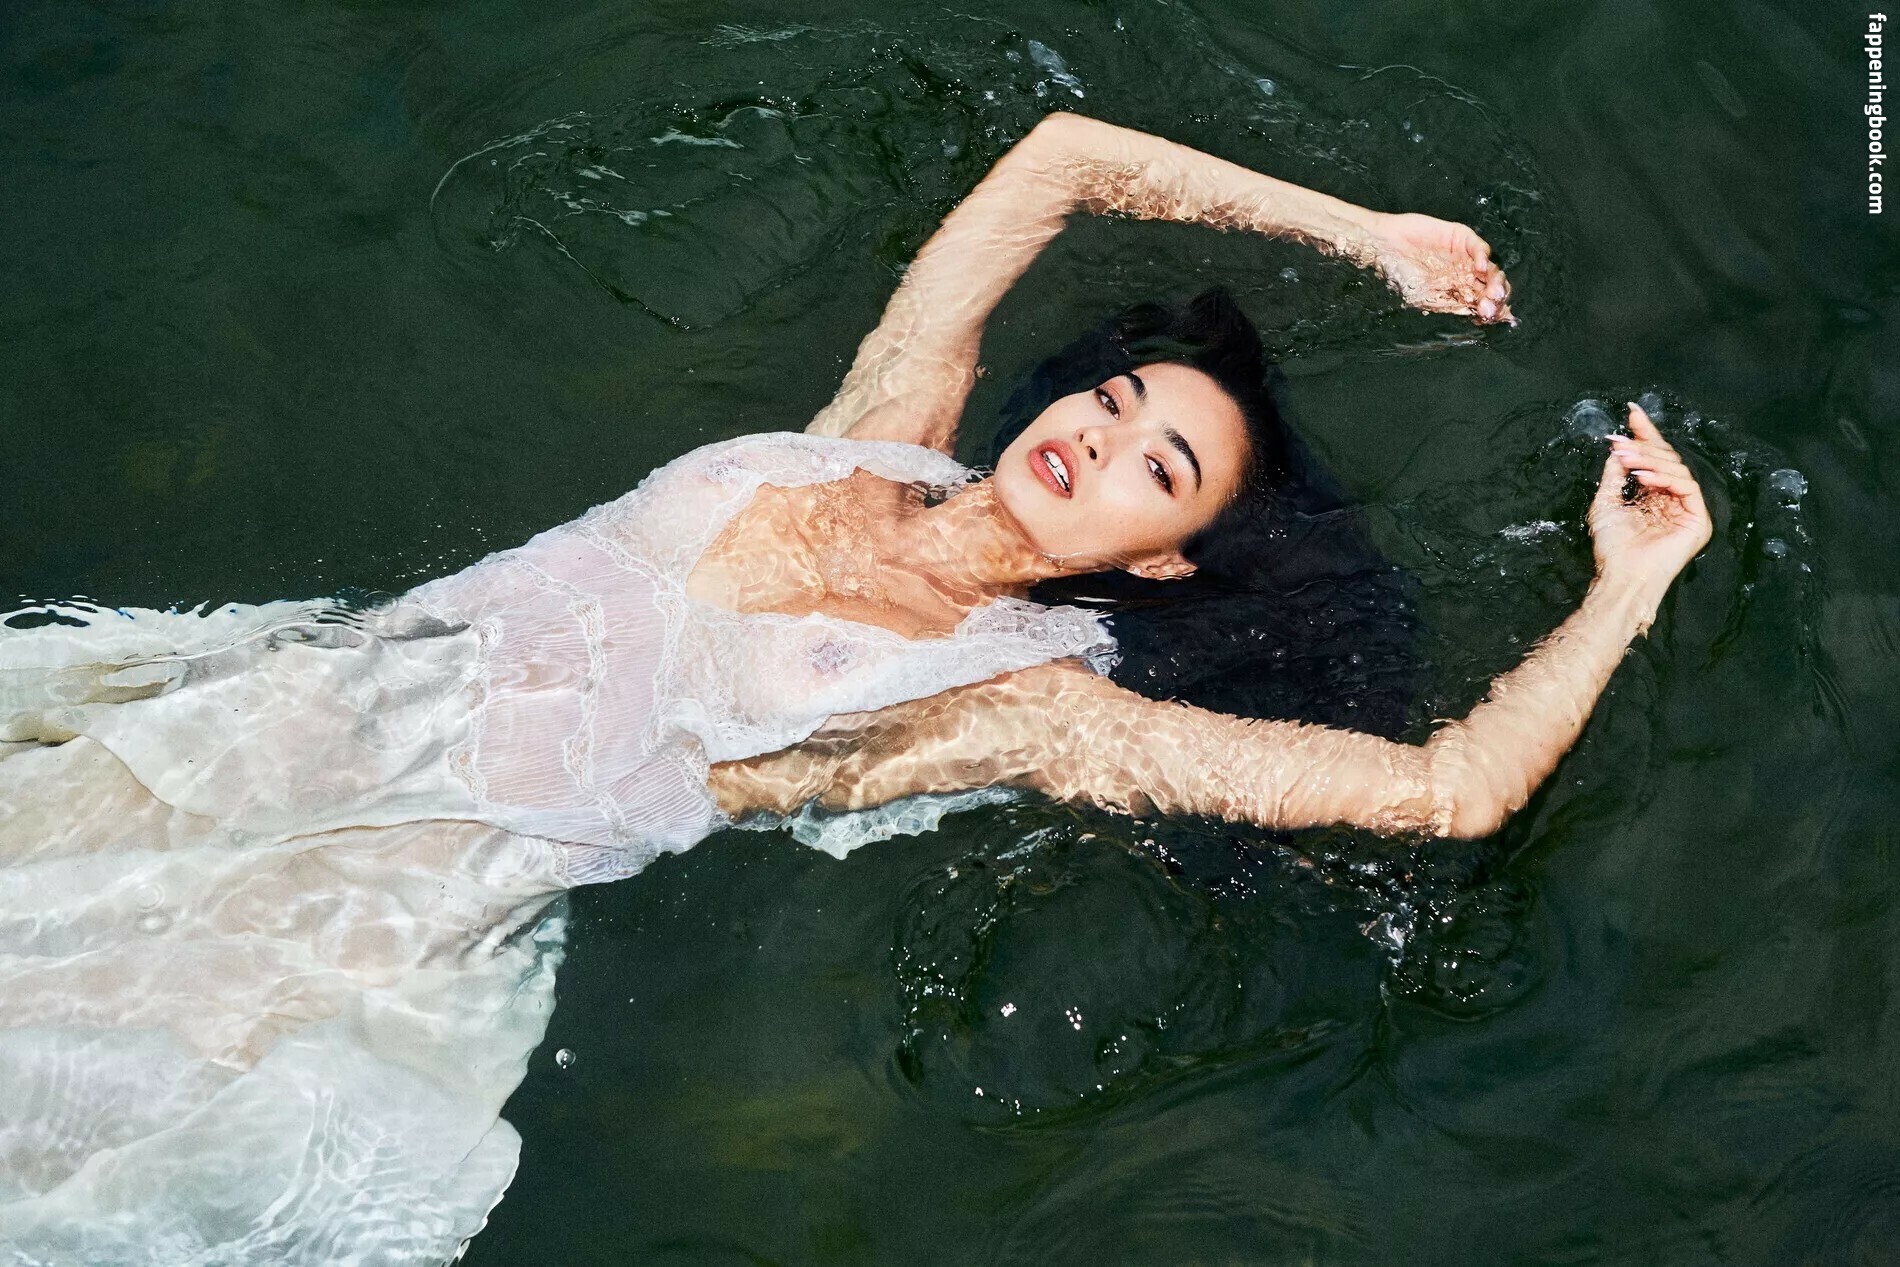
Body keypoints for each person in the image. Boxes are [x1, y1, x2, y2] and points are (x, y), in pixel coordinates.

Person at [0, 112, 1709, 1264]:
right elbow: (1058, 161)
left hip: (374, 899)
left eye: (1160, 467)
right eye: (1117, 400)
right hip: (263, 710)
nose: (1103, 433)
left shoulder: (1021, 699)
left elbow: (1446, 792)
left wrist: (1630, 581)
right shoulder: (875, 434)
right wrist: (1363, 232)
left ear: (1162, 561)